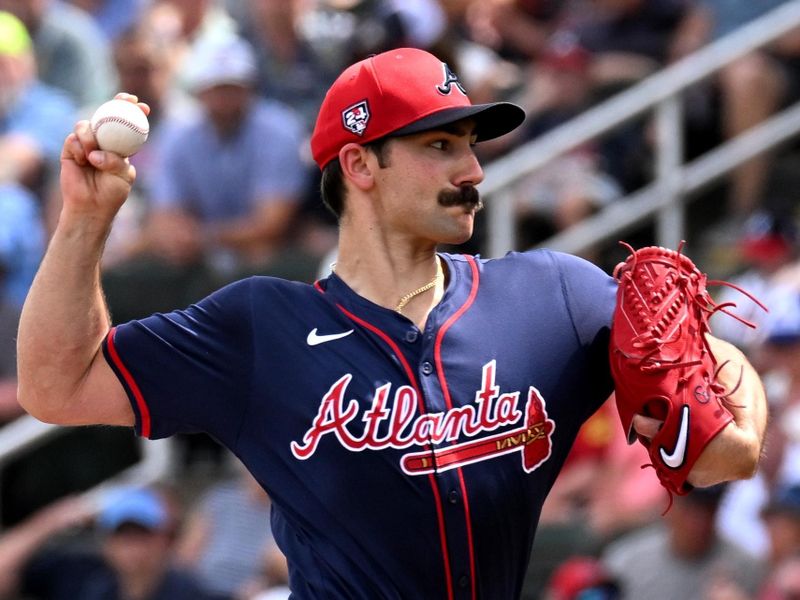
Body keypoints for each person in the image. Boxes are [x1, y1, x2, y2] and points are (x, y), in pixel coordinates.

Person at [16, 47, 767, 599]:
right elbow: (56, 386)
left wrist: (713, 374)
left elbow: (721, 437)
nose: (471, 171)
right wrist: (85, 221)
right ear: (360, 165)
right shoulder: (260, 329)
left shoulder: (552, 298)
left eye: (471, 146)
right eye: (439, 146)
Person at [0, 486, 220, 600]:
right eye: (122, 535)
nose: (132, 547)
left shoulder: (189, 591)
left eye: (141, 534)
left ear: (163, 539)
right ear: (107, 542)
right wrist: (51, 520)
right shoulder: (82, 577)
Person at [602, 485, 765, 600]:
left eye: (709, 510)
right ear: (669, 503)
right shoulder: (625, 562)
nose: (699, 522)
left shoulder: (746, 568)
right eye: (690, 509)